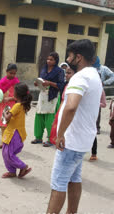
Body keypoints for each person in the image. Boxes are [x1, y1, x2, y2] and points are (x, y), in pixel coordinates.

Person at [47, 39, 102, 214]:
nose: (68, 60)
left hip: (71, 140)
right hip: (83, 140)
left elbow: (71, 106)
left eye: (70, 56)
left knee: (58, 183)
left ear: (78, 57)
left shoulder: (80, 76)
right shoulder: (94, 74)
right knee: (74, 178)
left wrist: (60, 134)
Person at [32, 52, 65, 146]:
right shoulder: (44, 69)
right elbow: (41, 80)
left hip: (52, 96)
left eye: (51, 59)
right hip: (42, 95)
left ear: (56, 61)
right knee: (39, 116)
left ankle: (51, 139)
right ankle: (38, 137)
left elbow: (61, 85)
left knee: (50, 118)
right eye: (48, 59)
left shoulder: (59, 71)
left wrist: (49, 83)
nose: (48, 61)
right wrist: (37, 83)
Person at [1, 82, 32, 178]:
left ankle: (23, 166)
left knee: (8, 154)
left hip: (13, 133)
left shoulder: (17, 106)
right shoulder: (22, 104)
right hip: (14, 132)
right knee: (6, 152)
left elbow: (7, 118)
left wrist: (5, 112)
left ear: (17, 94)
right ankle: (12, 171)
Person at [0, 64, 20, 149]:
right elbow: (0, 93)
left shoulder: (16, 82)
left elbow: (19, 96)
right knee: (2, 125)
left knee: (9, 126)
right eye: (10, 73)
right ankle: (3, 142)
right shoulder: (2, 81)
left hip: (10, 106)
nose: (12, 75)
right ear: (6, 72)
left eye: (14, 74)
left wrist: (10, 98)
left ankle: (9, 144)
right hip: (2, 105)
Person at [49, 67, 76, 146]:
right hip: (62, 109)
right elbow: (62, 100)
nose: (66, 75)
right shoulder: (66, 85)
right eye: (66, 73)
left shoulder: (76, 87)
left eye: (69, 73)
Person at [93, 56, 111, 134]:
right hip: (91, 89)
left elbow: (113, 76)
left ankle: (97, 127)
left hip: (99, 90)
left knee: (98, 111)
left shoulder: (104, 69)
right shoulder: (89, 68)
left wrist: (105, 82)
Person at [90, 90, 106, 161]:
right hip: (83, 112)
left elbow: (104, 104)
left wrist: (95, 104)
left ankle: (94, 154)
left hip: (93, 113)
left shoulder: (101, 90)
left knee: (92, 132)